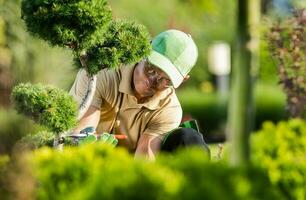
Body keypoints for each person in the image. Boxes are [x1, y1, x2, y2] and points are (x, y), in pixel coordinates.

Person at [70, 29, 209, 160]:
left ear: (183, 79)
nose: (152, 81)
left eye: (165, 79)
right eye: (151, 69)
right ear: (144, 52)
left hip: (125, 169)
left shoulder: (169, 109)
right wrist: (89, 145)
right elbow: (80, 134)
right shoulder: (101, 76)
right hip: (88, 159)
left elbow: (144, 158)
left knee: (189, 139)